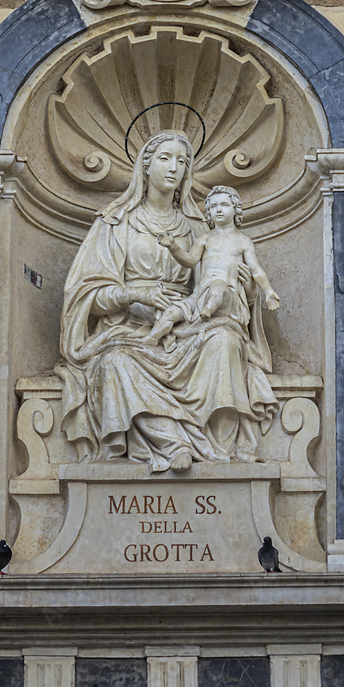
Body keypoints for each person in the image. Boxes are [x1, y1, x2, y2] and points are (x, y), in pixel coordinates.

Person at [55, 131, 278, 473]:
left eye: (181, 161)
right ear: (145, 167)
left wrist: (246, 290)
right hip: (130, 329)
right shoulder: (115, 224)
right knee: (115, 363)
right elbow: (85, 295)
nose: (174, 167)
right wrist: (132, 293)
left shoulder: (198, 227)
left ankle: (219, 452)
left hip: (190, 324)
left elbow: (214, 282)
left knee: (225, 342)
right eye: (165, 158)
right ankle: (175, 445)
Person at [145, 186, 280, 345]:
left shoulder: (243, 241)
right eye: (213, 206)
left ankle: (208, 311)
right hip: (200, 295)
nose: (218, 210)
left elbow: (256, 270)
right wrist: (173, 246)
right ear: (208, 212)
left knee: (218, 286)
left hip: (227, 295)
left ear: (235, 209)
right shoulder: (205, 238)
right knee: (172, 312)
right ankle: (151, 338)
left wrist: (269, 291)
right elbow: (190, 261)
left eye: (224, 205)